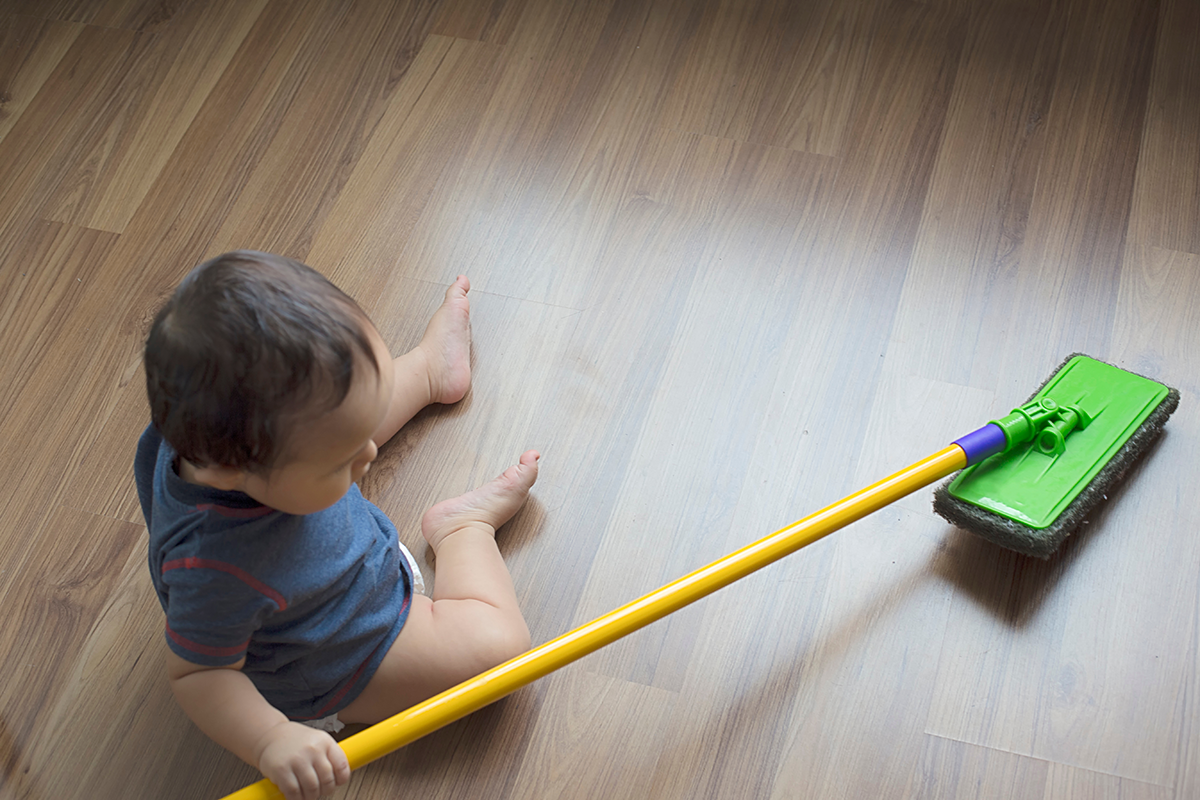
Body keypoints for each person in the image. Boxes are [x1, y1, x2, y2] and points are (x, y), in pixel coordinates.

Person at [134, 251, 538, 800]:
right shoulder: (215, 570)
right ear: (235, 469)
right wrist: (271, 738)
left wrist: (335, 455)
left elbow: (326, 424)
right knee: (503, 651)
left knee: (336, 414)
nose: (370, 454)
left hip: (324, 549)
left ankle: (424, 369)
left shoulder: (211, 424)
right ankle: (463, 530)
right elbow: (198, 676)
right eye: (342, 462)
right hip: (343, 644)